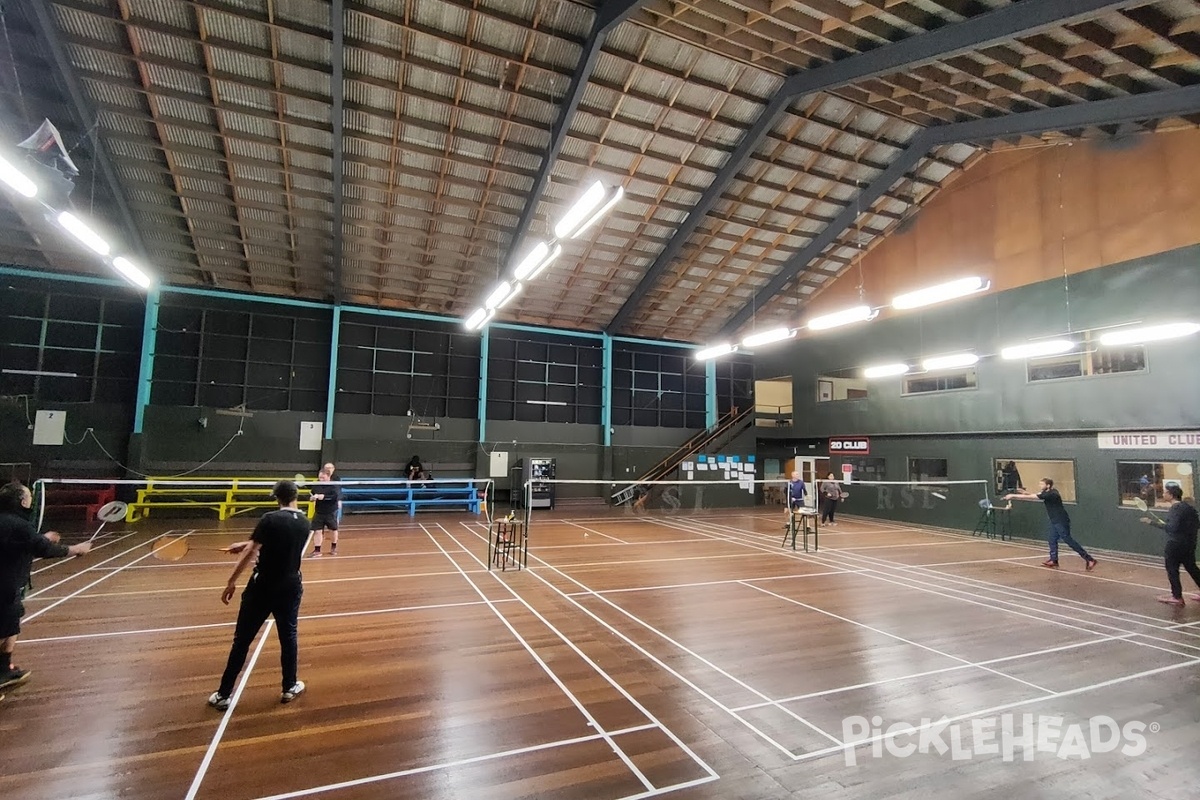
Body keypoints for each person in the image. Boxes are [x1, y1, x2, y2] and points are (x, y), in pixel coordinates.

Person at [208, 480, 309, 711]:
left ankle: (223, 694)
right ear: (295, 496)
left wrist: (231, 581)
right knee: (289, 637)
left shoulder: (269, 519)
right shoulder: (304, 522)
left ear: (276, 498)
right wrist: (246, 544)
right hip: (291, 586)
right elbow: (279, 542)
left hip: (262, 587)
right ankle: (289, 686)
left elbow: (253, 550)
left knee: (242, 640)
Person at [0, 481, 90, 696]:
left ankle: (4, 670)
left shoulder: (11, 522)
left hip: (10, 585)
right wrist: (75, 549)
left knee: (11, 627)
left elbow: (19, 544)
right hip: (4, 586)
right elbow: (44, 549)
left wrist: (40, 538)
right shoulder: (19, 525)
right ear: (22, 501)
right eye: (29, 496)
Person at [1011, 478, 1097, 571]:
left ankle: (1090, 559)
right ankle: (1053, 560)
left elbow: (1034, 497)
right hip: (1055, 521)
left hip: (1061, 520)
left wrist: (1012, 495)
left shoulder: (1052, 494)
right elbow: (1038, 495)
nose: (1040, 486)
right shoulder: (1048, 492)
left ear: (1048, 485)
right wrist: (1025, 492)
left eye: (1041, 484)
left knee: (1068, 540)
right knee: (1052, 539)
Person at [1139, 484, 1200, 606]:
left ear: (1171, 495)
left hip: (1175, 545)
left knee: (1172, 569)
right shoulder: (1188, 508)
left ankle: (1177, 597)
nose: (1163, 494)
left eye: (1165, 492)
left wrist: (1151, 522)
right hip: (1190, 543)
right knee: (1192, 568)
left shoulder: (1175, 509)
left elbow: (1172, 528)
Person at [309, 467, 341, 557]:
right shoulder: (316, 485)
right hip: (319, 511)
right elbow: (312, 494)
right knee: (317, 531)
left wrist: (324, 497)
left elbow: (335, 497)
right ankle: (317, 550)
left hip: (330, 511)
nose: (321, 479)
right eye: (320, 477)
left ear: (328, 476)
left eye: (323, 478)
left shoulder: (334, 485)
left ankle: (334, 547)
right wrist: (312, 498)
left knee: (333, 530)